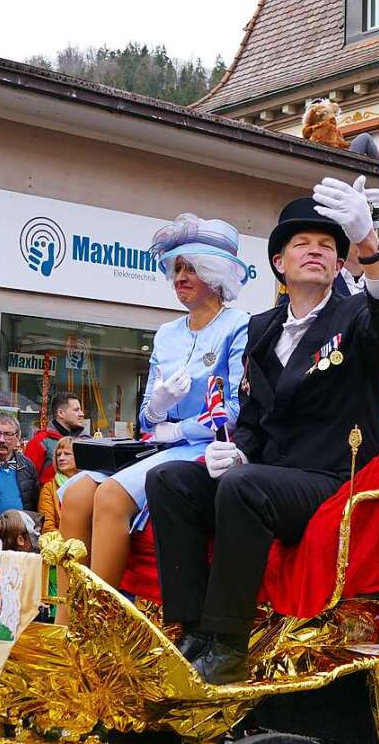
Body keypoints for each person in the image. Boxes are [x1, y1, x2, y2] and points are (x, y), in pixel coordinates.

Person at [147, 175, 379, 684]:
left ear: (338, 264)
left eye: (328, 246)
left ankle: (228, 640)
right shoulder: (264, 326)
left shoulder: (355, 315)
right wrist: (236, 451)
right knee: (171, 481)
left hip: (329, 478)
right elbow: (252, 416)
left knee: (244, 487)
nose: (316, 252)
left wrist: (369, 246)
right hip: (265, 476)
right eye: (302, 244)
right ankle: (194, 627)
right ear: (278, 263)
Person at [58, 212, 250, 590]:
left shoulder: (239, 325)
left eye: (190, 268)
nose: (180, 278)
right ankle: (68, 623)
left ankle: (105, 621)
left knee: (111, 496)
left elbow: (238, 409)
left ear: (216, 274)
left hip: (205, 448)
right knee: (79, 493)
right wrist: (159, 407)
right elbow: (146, 418)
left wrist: (180, 426)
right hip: (157, 446)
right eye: (176, 269)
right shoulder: (165, 334)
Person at [23, 392, 85, 485]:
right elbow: (27, 481)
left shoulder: (84, 441)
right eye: (76, 410)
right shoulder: (40, 442)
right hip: (49, 497)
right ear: (61, 413)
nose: (82, 414)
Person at [37, 437, 77, 533]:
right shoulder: (49, 488)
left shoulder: (91, 484)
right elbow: (47, 527)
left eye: (67, 454)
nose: (61, 458)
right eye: (58, 455)